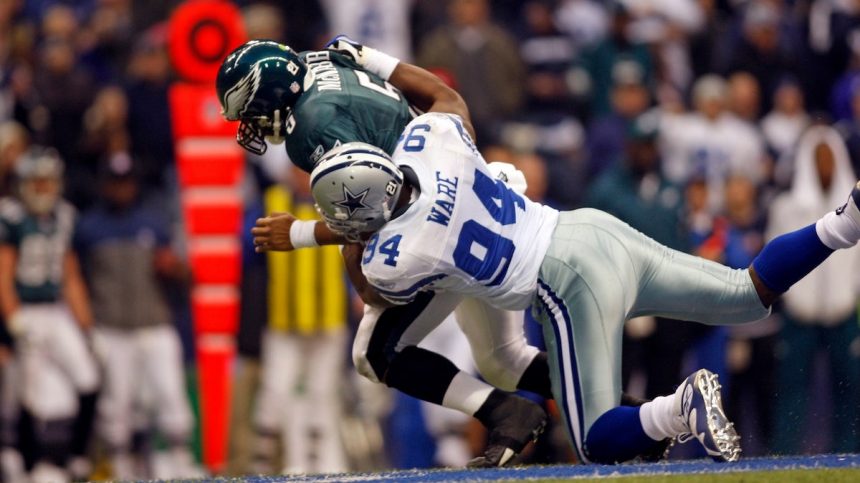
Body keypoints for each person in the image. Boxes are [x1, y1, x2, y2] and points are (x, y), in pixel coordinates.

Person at [305, 109, 860, 464]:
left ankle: (678, 407)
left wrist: (334, 240)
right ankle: (842, 225)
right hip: (586, 227)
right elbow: (442, 96)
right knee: (746, 296)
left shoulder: (397, 256)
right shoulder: (432, 141)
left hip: (566, 278)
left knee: (595, 440)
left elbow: (376, 294)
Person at [219, 38, 549, 467]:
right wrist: (379, 60)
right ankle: (619, 409)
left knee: (374, 353)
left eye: (250, 111)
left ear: (271, 95)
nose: (250, 125)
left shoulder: (311, 129)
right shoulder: (321, 63)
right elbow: (444, 99)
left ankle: (507, 411)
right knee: (506, 358)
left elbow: (368, 212)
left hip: (438, 225)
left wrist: (300, 233)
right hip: (478, 190)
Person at [74, 153, 200, 479]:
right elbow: (77, 279)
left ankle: (180, 458)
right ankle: (120, 464)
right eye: (115, 183)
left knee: (170, 393)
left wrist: (174, 268)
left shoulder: (153, 223)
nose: (121, 190)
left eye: (126, 182)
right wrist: (87, 326)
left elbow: (185, 276)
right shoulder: (89, 227)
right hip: (111, 327)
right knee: (116, 404)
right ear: (105, 185)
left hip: (153, 323)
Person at [0, 147, 100, 481]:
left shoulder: (64, 216)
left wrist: (87, 327)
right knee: (26, 390)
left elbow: (71, 276)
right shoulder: (11, 217)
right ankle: (28, 461)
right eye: (37, 182)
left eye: (48, 182)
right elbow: (3, 274)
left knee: (88, 378)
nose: (43, 190)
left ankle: (76, 456)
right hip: (26, 310)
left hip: (55, 311)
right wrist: (13, 318)